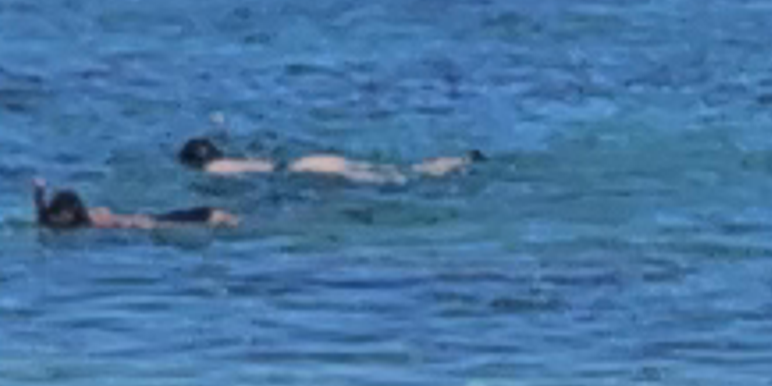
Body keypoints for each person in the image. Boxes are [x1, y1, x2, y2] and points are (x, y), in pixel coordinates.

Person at [176, 135, 478, 185]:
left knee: (397, 179)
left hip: (302, 169)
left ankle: (446, 168)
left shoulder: (214, 170)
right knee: (395, 171)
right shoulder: (230, 160)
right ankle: (450, 162)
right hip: (308, 160)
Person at [33, 185, 222, 235]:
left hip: (142, 223)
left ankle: (212, 215)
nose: (60, 217)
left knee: (180, 221)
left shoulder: (93, 222)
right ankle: (212, 215)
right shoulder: (52, 217)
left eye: (63, 213)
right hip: (137, 221)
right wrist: (39, 192)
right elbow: (42, 211)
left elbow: (124, 223)